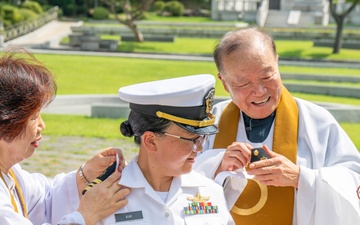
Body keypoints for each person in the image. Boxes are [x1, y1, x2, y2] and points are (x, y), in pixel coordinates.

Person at [193, 26, 360, 225]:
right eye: (243, 83)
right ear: (225, 83)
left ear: (277, 64)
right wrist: (215, 165)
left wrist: (301, 177)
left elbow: (353, 181)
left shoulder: (318, 122)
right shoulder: (209, 124)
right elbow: (173, 182)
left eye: (267, 76)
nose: (259, 91)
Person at [0, 48, 130, 225]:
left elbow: (44, 201)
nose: (41, 126)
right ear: (7, 121)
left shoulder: (10, 173)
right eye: (33, 118)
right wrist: (86, 216)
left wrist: (84, 176)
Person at [98, 74, 237, 225]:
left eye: (202, 138)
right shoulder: (105, 197)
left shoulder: (210, 191)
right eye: (192, 139)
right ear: (151, 141)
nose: (199, 148)